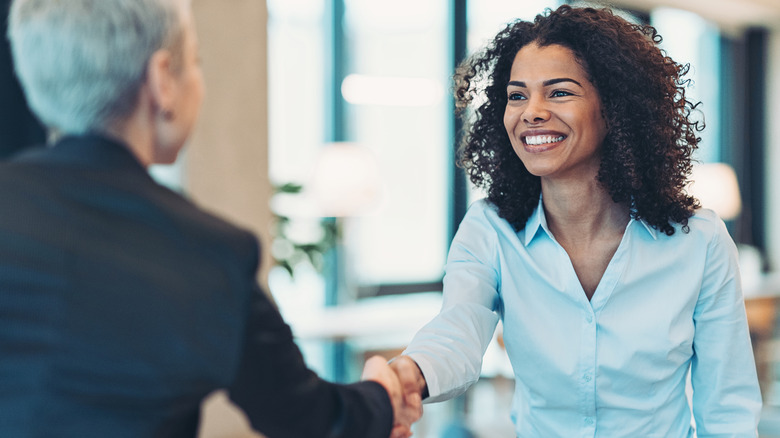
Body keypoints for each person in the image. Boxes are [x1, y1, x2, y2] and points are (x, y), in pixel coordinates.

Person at [0, 0, 421, 437]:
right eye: (196, 61)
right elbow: (312, 421)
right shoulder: (207, 253)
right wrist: (381, 394)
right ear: (162, 80)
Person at [389, 5, 762, 437]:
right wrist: (408, 376)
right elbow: (458, 331)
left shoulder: (699, 241)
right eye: (517, 95)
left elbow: (727, 412)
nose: (532, 112)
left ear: (615, 109)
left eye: (559, 92)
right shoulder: (489, 230)